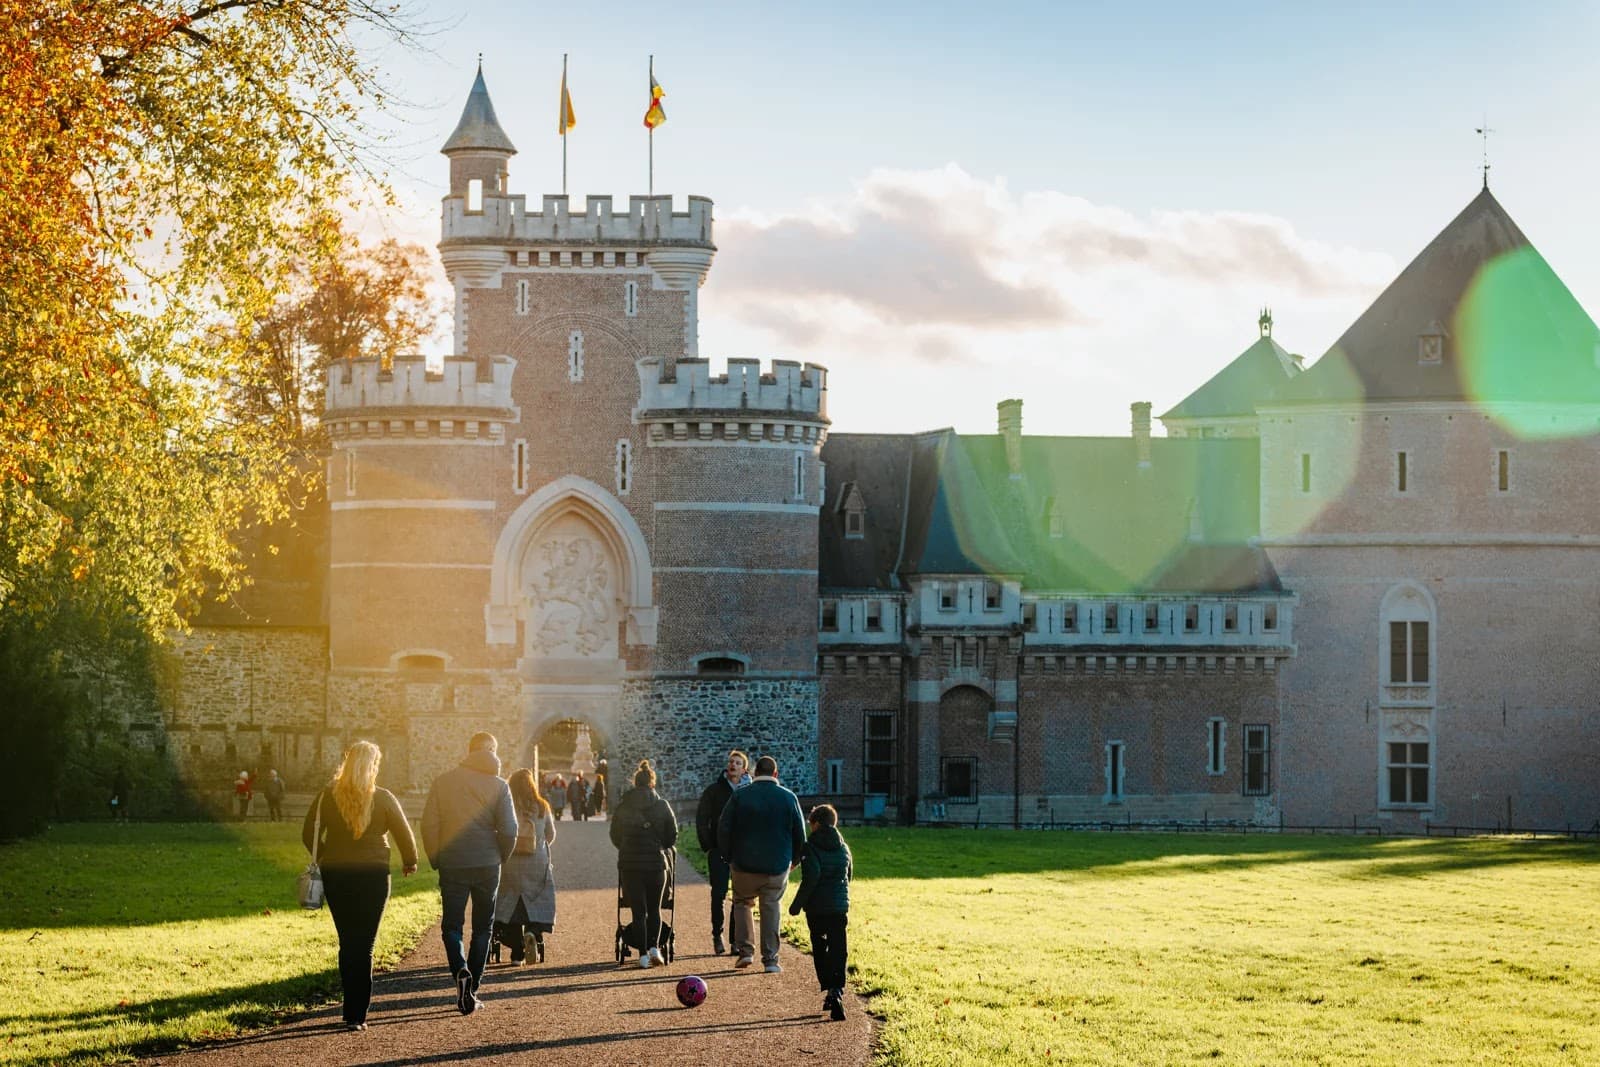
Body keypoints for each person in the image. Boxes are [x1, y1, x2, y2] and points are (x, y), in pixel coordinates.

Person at [302, 741, 419, 1031]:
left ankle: (348, 1007)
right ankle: (357, 1015)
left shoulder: (325, 797)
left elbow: (308, 834)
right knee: (364, 945)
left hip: (337, 874)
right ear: (373, 766)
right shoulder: (383, 797)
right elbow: (404, 833)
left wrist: (326, 856)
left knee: (347, 942)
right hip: (373, 875)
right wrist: (410, 861)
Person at [422, 732, 518, 1016]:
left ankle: (460, 971)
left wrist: (437, 857)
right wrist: (500, 856)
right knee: (483, 928)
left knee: (451, 925)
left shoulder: (443, 782)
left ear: (469, 750)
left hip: (453, 862)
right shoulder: (500, 786)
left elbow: (429, 824)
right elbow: (510, 830)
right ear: (492, 751)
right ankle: (472, 988)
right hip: (488, 864)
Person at [717, 754, 806, 973]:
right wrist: (794, 861)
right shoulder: (789, 797)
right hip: (777, 865)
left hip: (743, 863)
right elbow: (799, 834)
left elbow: (724, 827)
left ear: (754, 773)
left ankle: (746, 951)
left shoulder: (740, 796)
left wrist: (728, 857)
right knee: (771, 907)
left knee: (742, 903)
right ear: (775, 774)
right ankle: (771, 959)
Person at [609, 759, 678, 968]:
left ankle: (642, 955)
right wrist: (659, 845)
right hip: (656, 864)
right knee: (655, 909)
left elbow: (614, 835)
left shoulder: (623, 806)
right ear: (652, 783)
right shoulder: (662, 805)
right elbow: (672, 836)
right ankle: (655, 947)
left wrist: (627, 847)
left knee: (638, 911)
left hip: (630, 865)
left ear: (635, 783)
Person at [789, 804, 853, 1021]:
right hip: (839, 907)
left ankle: (828, 987)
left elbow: (811, 878)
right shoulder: (844, 847)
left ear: (816, 823)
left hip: (817, 908)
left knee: (820, 947)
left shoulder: (810, 847)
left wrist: (796, 905)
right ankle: (837, 990)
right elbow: (849, 875)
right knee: (838, 948)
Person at [493, 769, 557, 965]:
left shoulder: (505, 805)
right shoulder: (542, 806)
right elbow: (551, 834)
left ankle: (516, 953)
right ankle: (533, 931)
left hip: (510, 860)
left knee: (509, 902)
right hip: (536, 861)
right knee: (537, 899)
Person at [694, 749, 751, 954]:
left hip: (741, 851)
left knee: (739, 896)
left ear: (744, 769)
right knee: (718, 894)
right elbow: (702, 818)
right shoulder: (714, 791)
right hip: (719, 849)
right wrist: (708, 844)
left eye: (737, 762)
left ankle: (736, 940)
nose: (732, 765)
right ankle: (717, 935)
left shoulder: (748, 792)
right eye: (731, 762)